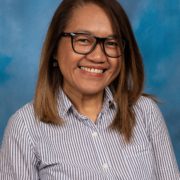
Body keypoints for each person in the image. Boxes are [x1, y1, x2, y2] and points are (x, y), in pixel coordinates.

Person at [0, 0, 179, 179]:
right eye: (83, 40)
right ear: (54, 48)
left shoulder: (145, 112)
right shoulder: (24, 128)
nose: (98, 56)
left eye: (111, 43)